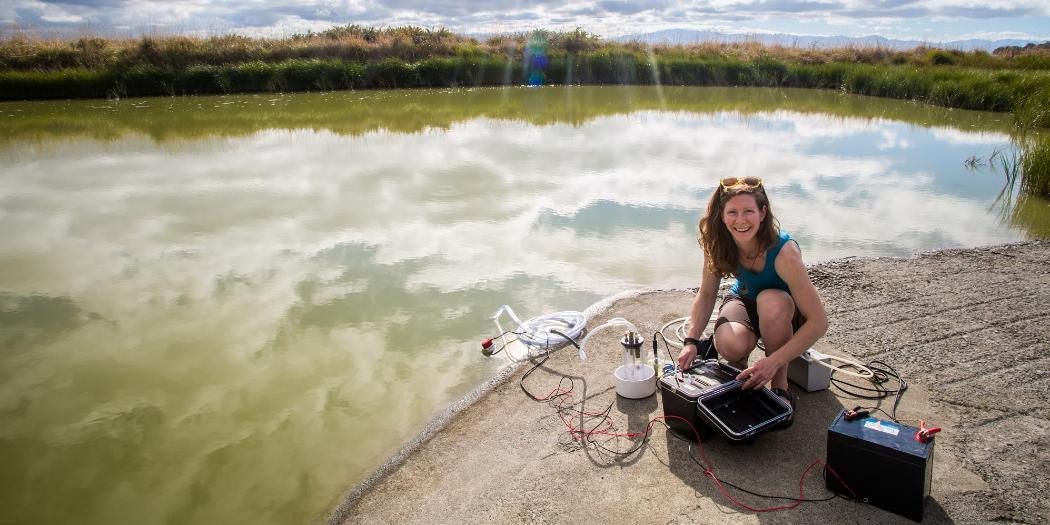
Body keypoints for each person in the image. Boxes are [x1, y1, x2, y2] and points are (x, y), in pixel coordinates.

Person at [676, 176, 828, 426]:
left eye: (748, 211)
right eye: (732, 212)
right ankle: (738, 375)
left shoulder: (784, 253)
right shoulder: (718, 243)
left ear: (763, 212)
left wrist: (773, 361)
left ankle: (780, 384)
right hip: (745, 298)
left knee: (771, 301)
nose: (741, 220)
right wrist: (691, 341)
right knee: (730, 343)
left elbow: (819, 322)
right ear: (722, 215)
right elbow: (706, 295)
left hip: (784, 310)